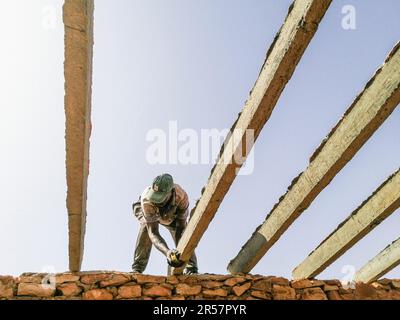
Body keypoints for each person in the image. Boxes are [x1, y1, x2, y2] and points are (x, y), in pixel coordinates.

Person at [131, 173, 198, 274]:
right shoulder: (147, 200)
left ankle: (191, 268)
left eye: (160, 198)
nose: (156, 201)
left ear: (170, 192)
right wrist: (167, 252)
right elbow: (153, 232)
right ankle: (137, 268)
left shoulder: (181, 197)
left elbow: (180, 228)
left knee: (183, 233)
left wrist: (179, 255)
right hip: (147, 210)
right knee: (146, 226)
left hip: (171, 215)